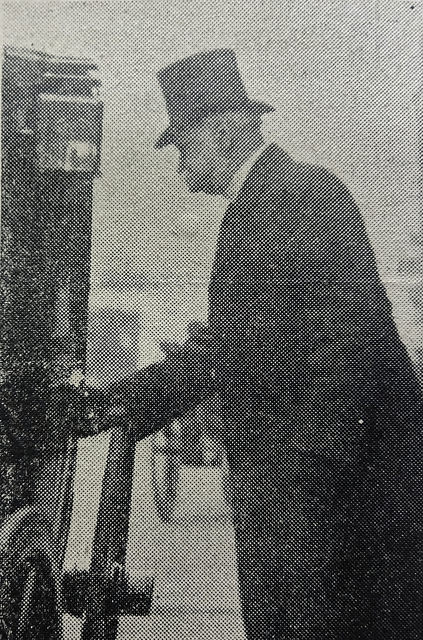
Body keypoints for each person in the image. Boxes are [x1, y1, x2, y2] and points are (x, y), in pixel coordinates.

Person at [104, 49, 423, 639]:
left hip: (330, 516)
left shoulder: (281, 204)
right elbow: (244, 349)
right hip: (332, 505)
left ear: (219, 127)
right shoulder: (282, 196)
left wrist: (117, 400)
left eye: (183, 146)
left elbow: (279, 364)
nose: (180, 169)